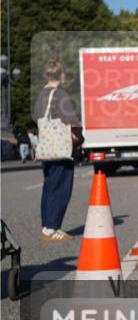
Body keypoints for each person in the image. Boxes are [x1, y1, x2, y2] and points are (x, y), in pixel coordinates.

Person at [32, 58, 83, 241]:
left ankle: (47, 225)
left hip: (47, 146)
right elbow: (72, 120)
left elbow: (38, 117)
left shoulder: (41, 95)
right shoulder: (60, 94)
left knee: (49, 185)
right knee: (61, 187)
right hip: (61, 147)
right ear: (61, 75)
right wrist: (80, 138)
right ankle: (52, 228)